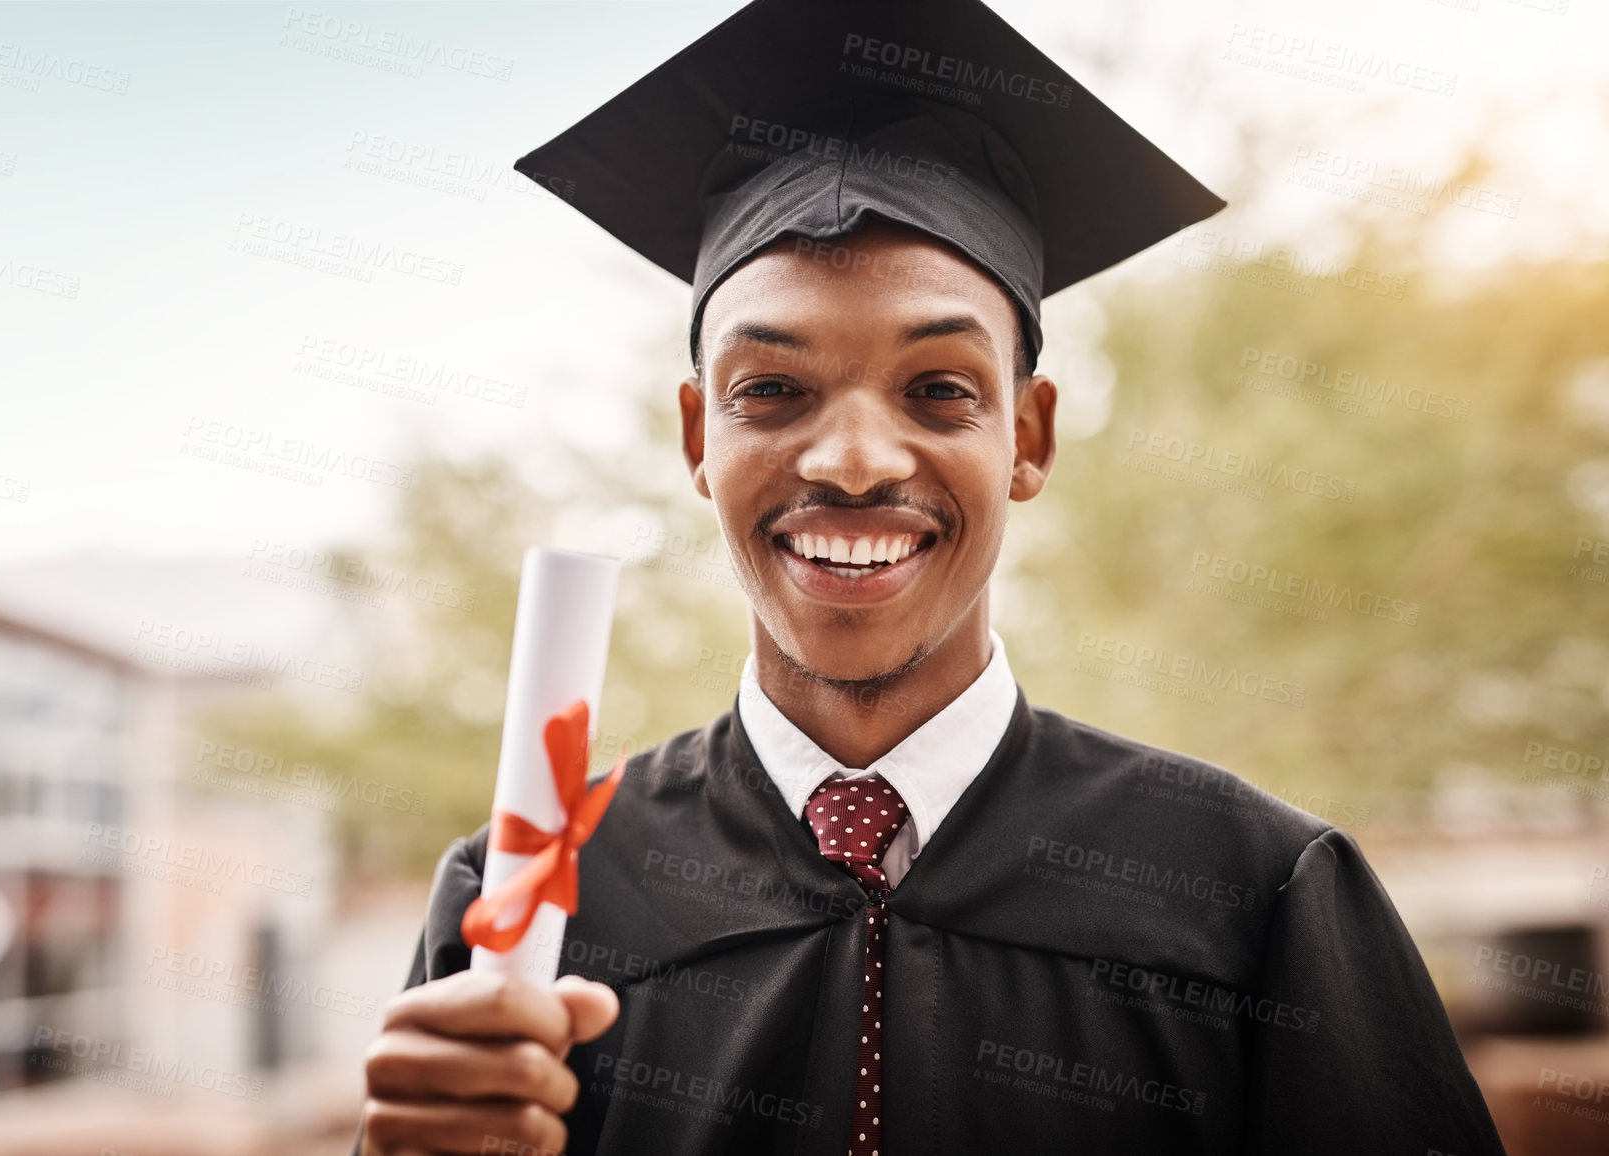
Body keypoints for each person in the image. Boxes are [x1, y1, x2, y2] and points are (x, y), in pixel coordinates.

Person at [357, 1, 1506, 1153]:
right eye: (773, 390)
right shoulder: (535, 898)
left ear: (1031, 437)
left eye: (939, 389)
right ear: (698, 437)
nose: (853, 459)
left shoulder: (1253, 894)